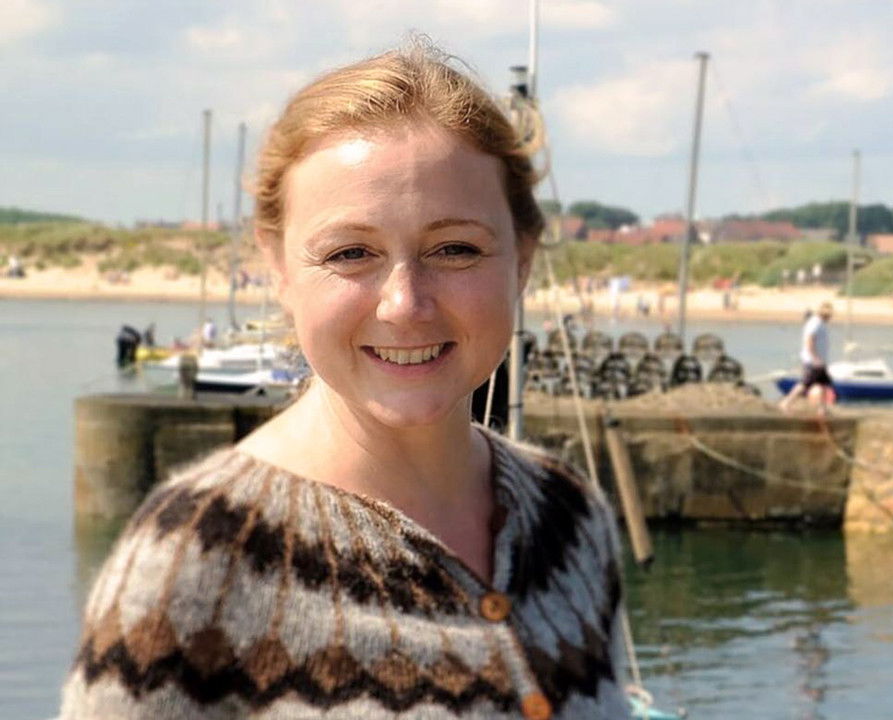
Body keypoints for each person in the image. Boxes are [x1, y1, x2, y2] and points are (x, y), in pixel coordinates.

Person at [61, 41, 629, 719]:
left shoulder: (571, 519)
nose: (405, 305)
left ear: (523, 260)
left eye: (455, 249)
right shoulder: (194, 563)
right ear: (278, 268)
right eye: (351, 252)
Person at [779, 302, 835, 413]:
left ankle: (822, 408)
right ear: (824, 314)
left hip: (820, 361)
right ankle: (786, 403)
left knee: (824, 384)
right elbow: (809, 341)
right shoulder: (815, 323)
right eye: (829, 315)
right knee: (805, 383)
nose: (830, 317)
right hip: (813, 361)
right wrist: (815, 358)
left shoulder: (821, 323)